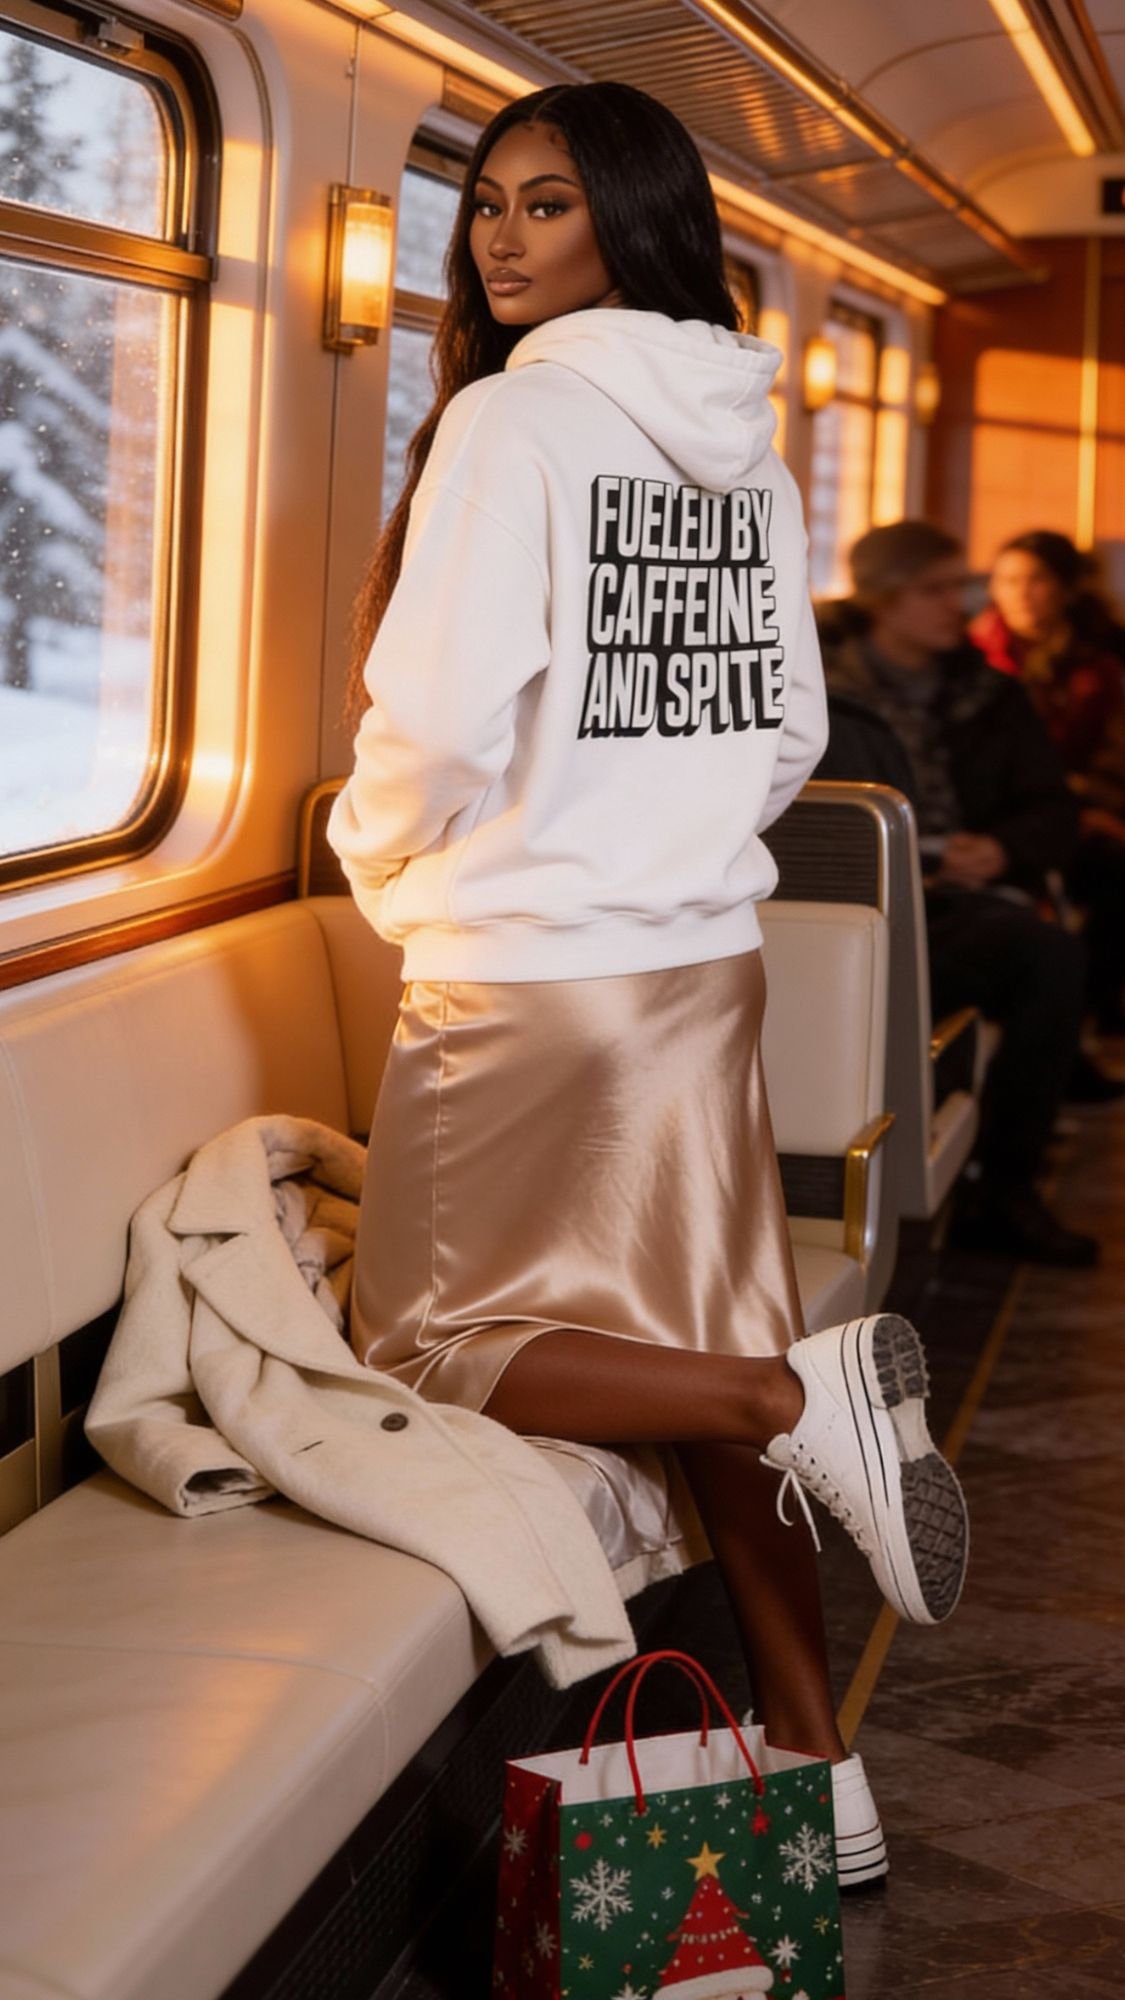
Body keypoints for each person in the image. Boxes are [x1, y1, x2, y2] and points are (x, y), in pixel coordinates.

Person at [328, 81, 969, 1888]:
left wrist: (388, 864)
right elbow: (789, 732)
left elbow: (436, 716)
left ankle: (798, 1406)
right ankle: (817, 1762)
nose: (505, 238)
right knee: (701, 1344)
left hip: (527, 972)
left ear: (627, 216)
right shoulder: (745, 448)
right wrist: (672, 840)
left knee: (425, 1343)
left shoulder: (509, 432)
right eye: (491, 206)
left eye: (549, 203)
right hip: (702, 967)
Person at [816, 520, 1099, 1266]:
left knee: (1051, 960)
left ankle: (1003, 1192)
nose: (959, 605)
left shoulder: (991, 694)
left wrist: (1002, 848)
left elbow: (1052, 809)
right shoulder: (812, 692)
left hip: (953, 901)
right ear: (881, 599)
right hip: (845, 900)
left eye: (959, 588)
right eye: (935, 589)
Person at [972, 531, 1125, 1038]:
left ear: (1064, 589)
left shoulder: (1098, 667)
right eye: (1009, 580)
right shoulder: (971, 658)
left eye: (1036, 580)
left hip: (1080, 811)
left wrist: (1088, 803)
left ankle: (1087, 1016)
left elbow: (1113, 752)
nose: (1022, 593)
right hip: (1000, 819)